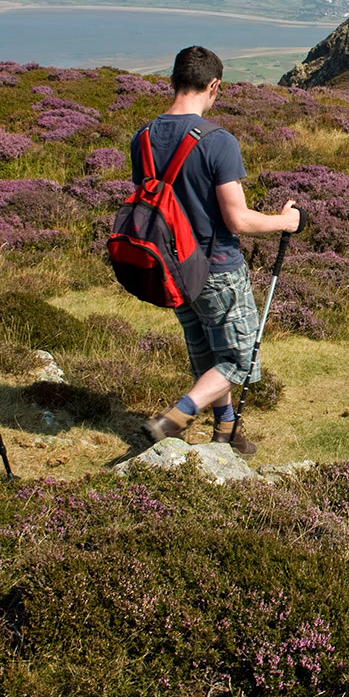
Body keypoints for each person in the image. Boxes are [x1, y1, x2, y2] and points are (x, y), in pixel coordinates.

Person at [135, 46, 299, 455]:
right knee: (239, 361)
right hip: (217, 268)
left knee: (208, 353)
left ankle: (227, 432)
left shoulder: (142, 139)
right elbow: (238, 220)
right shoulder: (217, 141)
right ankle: (176, 416)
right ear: (214, 86)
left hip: (171, 269)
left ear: (173, 80)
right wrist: (284, 222)